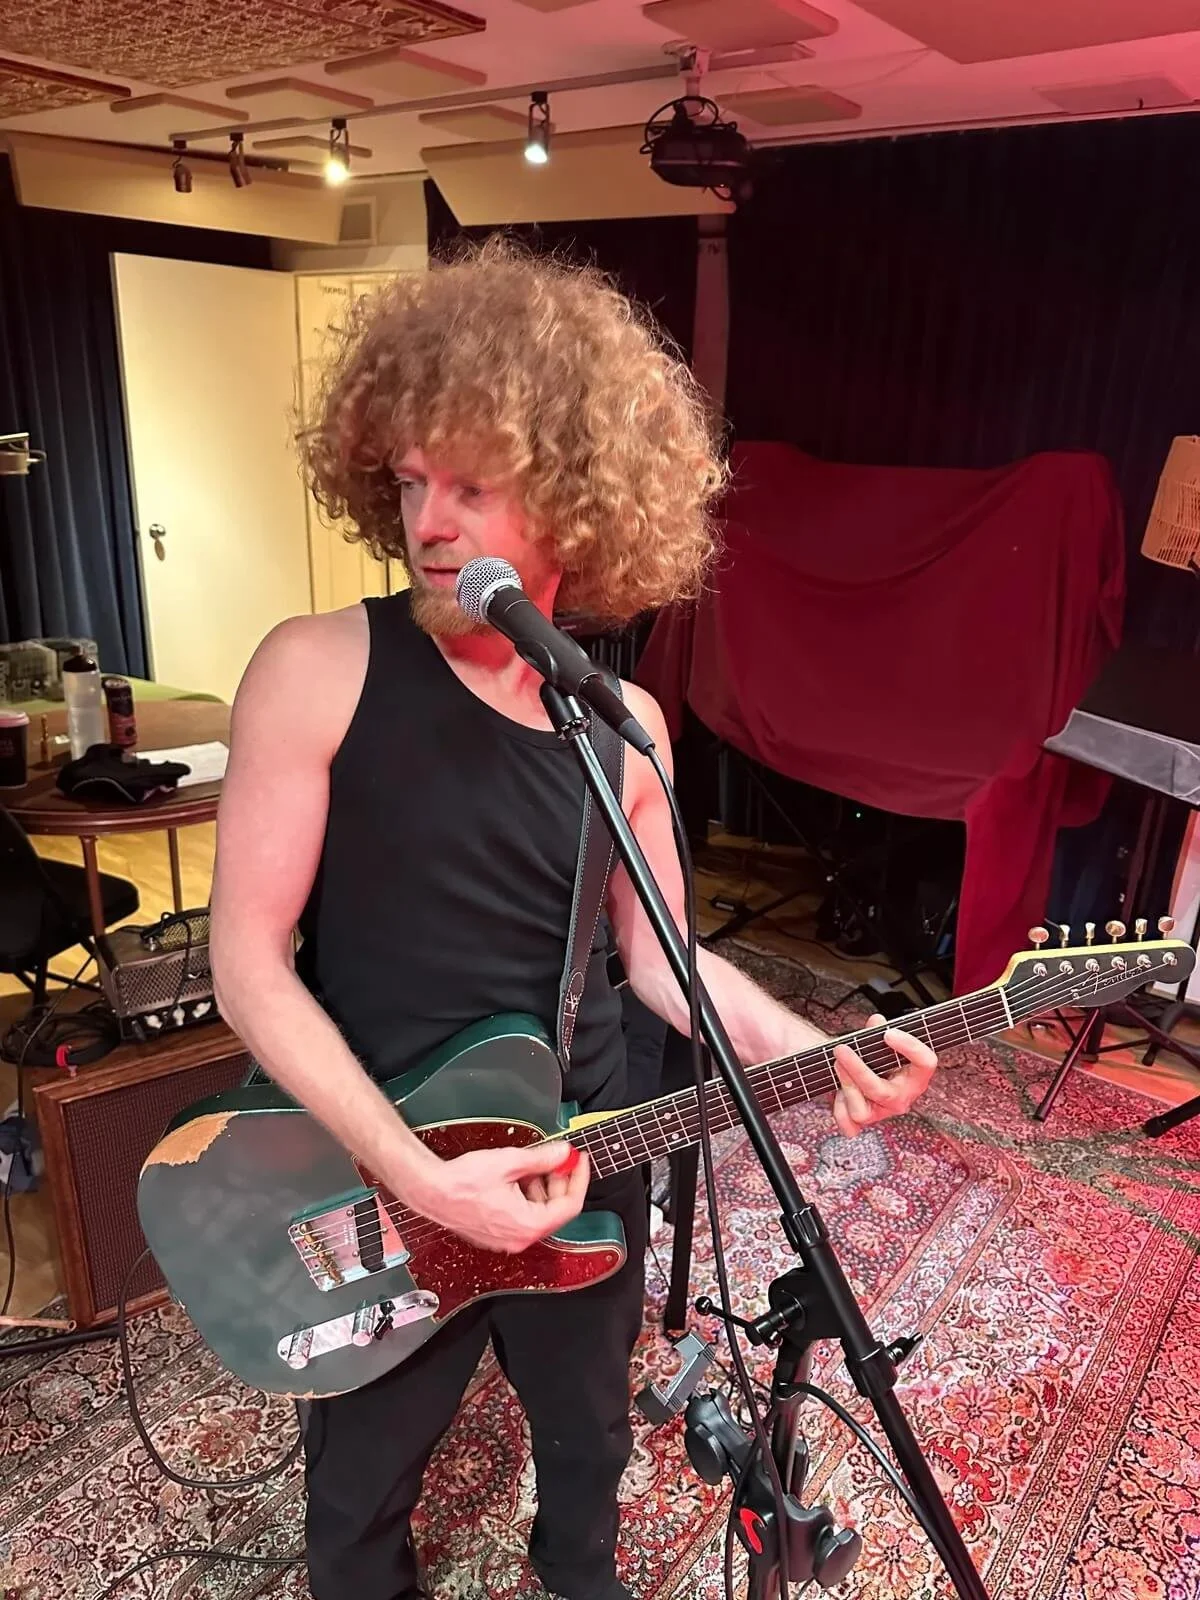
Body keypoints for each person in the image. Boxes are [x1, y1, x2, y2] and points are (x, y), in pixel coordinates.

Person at [209, 239, 938, 1600]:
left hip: (582, 1153)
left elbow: (661, 955)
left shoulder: (622, 726)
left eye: (472, 485)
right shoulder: (315, 671)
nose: (429, 519)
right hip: (381, 1172)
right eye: (411, 479)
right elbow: (245, 967)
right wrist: (418, 1179)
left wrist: (808, 1038)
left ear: (573, 500)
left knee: (591, 1457)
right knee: (359, 1499)